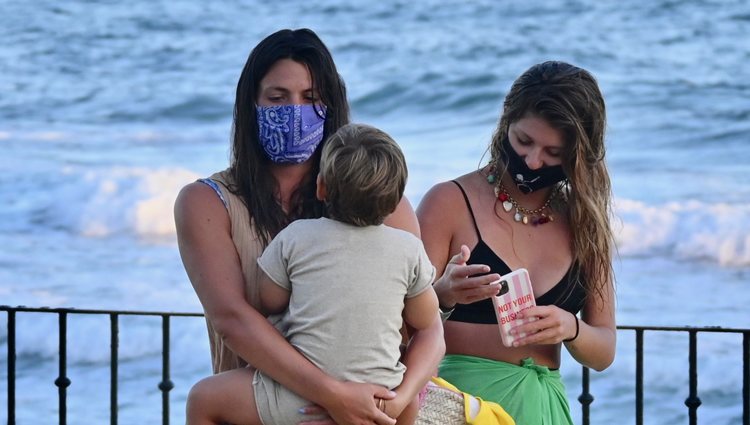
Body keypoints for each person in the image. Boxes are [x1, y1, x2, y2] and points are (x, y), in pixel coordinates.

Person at [174, 29, 444, 425]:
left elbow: (425, 330)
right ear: (250, 104)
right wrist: (333, 396)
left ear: (331, 106)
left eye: (311, 99)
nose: (295, 111)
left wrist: (399, 398)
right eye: (277, 98)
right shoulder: (206, 202)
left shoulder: (389, 207)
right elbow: (232, 320)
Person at [417, 61, 616, 424]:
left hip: (544, 408)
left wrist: (570, 328)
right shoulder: (447, 202)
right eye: (524, 140)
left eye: (553, 153)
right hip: (458, 407)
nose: (533, 159)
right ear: (505, 122)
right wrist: (443, 295)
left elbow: (603, 352)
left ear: (576, 155)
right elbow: (397, 326)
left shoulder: (584, 220)